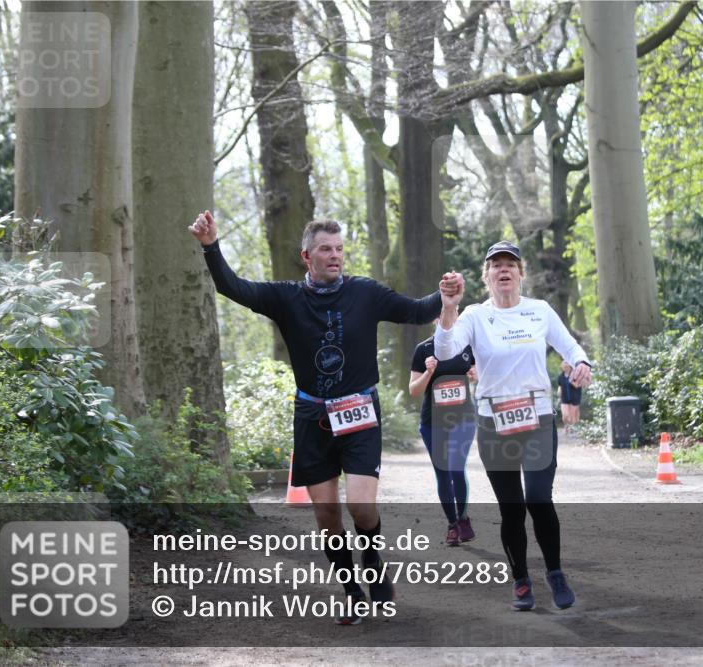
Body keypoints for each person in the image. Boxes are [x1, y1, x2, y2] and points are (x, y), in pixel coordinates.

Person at [189, 211, 461, 625]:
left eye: (339, 249)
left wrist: (445, 296)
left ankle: (372, 561)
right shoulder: (285, 298)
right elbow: (233, 286)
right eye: (325, 250)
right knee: (327, 516)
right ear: (306, 256)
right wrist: (211, 246)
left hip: (360, 412)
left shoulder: (365, 293)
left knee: (361, 507)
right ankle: (352, 590)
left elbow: (415, 310)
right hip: (312, 414)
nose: (334, 256)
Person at [434, 240, 592, 611]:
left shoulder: (539, 311)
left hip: (537, 418)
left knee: (539, 498)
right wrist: (448, 308)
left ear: (521, 273)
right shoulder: (473, 315)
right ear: (486, 276)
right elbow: (444, 352)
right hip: (494, 423)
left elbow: (572, 348)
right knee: (512, 509)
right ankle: (520, 579)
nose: (503, 270)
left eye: (510, 264)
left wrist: (582, 364)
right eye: (496, 265)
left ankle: (555, 573)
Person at [409, 328, 478, 546]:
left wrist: (477, 375)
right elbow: (413, 390)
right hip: (433, 422)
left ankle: (463, 517)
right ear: (435, 319)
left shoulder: (469, 346)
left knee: (457, 469)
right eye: (441, 314)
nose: (447, 318)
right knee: (443, 471)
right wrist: (429, 373)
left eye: (451, 313)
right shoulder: (424, 349)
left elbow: (483, 375)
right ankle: (452, 524)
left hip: (463, 419)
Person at [558, 361, 583, 435]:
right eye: (563, 364)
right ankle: (566, 426)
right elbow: (560, 385)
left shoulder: (575, 374)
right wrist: (559, 391)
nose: (564, 365)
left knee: (572, 416)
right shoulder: (561, 376)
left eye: (566, 363)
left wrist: (571, 381)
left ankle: (572, 428)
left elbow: (578, 385)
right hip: (564, 398)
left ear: (570, 366)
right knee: (565, 415)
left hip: (574, 397)